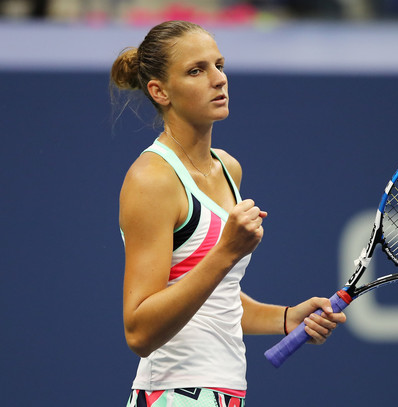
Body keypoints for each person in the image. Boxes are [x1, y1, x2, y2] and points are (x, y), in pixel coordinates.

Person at [110, 20, 346, 407]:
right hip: (174, 394)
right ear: (159, 91)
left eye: (219, 65)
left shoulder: (228, 168)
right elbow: (139, 331)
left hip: (227, 394)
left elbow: (216, 301)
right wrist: (226, 252)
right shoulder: (151, 179)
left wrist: (287, 318)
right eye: (196, 70)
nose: (218, 79)